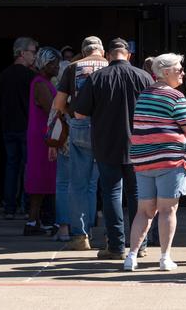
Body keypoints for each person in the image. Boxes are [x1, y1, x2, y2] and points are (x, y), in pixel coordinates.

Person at [73, 37, 154, 260]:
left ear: (108, 56)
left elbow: (79, 113)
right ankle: (141, 244)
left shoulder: (97, 78)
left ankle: (116, 245)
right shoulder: (144, 77)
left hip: (106, 144)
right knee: (138, 195)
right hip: (139, 146)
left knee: (111, 194)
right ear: (128, 55)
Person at [123, 53, 186, 272]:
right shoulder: (176, 97)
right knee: (167, 210)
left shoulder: (144, 95)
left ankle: (132, 257)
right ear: (166, 72)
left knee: (143, 211)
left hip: (144, 160)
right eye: (179, 69)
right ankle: (165, 257)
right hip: (170, 160)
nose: (183, 72)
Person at [53, 35, 108, 250]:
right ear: (102, 51)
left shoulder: (72, 68)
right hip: (107, 128)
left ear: (83, 52)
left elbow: (58, 103)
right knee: (106, 184)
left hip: (80, 126)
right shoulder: (111, 66)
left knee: (78, 184)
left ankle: (80, 236)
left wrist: (71, 114)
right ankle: (108, 234)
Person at [23, 46, 61, 236]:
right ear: (46, 64)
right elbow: (51, 109)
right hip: (42, 136)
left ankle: (36, 220)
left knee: (44, 177)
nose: (57, 67)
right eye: (54, 64)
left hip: (43, 134)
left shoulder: (43, 81)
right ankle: (33, 220)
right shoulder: (40, 83)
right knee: (40, 177)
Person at [0, 36, 38, 219]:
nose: (35, 56)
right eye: (32, 52)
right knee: (28, 167)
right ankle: (27, 206)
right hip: (26, 127)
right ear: (22, 53)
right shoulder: (31, 77)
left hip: (8, 126)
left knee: (11, 166)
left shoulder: (4, 74)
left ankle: (9, 207)